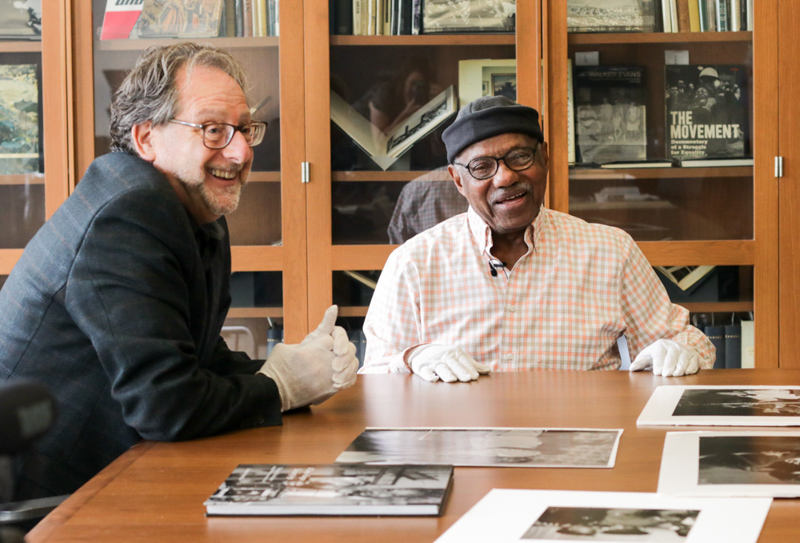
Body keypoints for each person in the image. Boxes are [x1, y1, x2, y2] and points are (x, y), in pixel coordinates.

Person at [0, 43, 358, 499]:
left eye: (245, 129)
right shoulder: (128, 213)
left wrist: (288, 368)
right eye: (213, 130)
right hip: (47, 499)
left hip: (115, 471)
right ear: (146, 138)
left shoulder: (189, 207)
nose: (241, 151)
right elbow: (166, 406)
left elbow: (195, 361)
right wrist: (280, 387)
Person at [361, 96, 714, 382]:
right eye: (482, 167)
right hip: (464, 454)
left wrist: (682, 352)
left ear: (544, 158)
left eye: (519, 157)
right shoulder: (414, 263)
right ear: (457, 180)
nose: (505, 178)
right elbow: (373, 377)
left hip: (583, 451)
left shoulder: (610, 251)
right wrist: (412, 357)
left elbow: (690, 341)